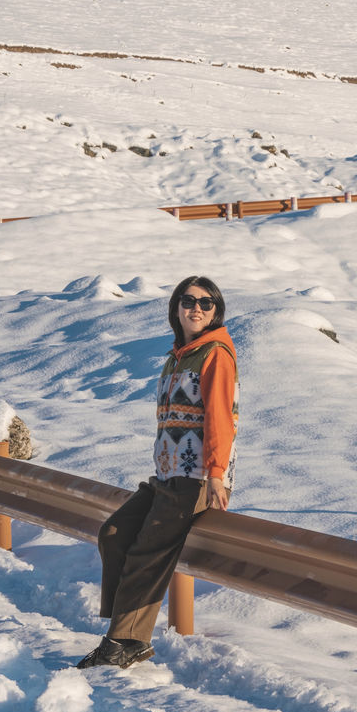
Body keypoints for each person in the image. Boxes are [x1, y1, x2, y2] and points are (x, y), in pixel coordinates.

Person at [77, 275, 238, 669]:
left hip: (196, 476)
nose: (196, 308)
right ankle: (127, 631)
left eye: (206, 303)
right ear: (176, 308)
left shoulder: (216, 353)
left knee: (147, 552)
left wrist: (216, 472)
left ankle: (123, 643)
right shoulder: (178, 356)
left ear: (216, 311)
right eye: (188, 301)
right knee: (114, 534)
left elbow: (220, 417)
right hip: (168, 474)